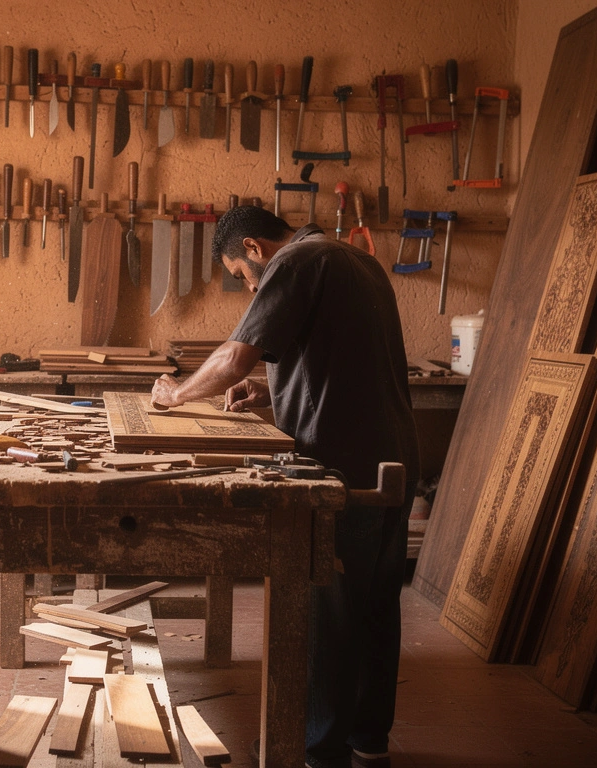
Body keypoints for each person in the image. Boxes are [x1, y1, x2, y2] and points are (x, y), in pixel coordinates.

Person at [150, 206, 419, 768]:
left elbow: (233, 358)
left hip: (340, 465)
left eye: (245, 277)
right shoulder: (356, 260)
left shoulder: (294, 262)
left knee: (326, 605)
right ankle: (369, 741)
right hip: (391, 458)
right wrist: (270, 397)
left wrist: (175, 394)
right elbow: (341, 368)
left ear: (254, 247)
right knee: (375, 604)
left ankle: (313, 747)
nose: (252, 289)